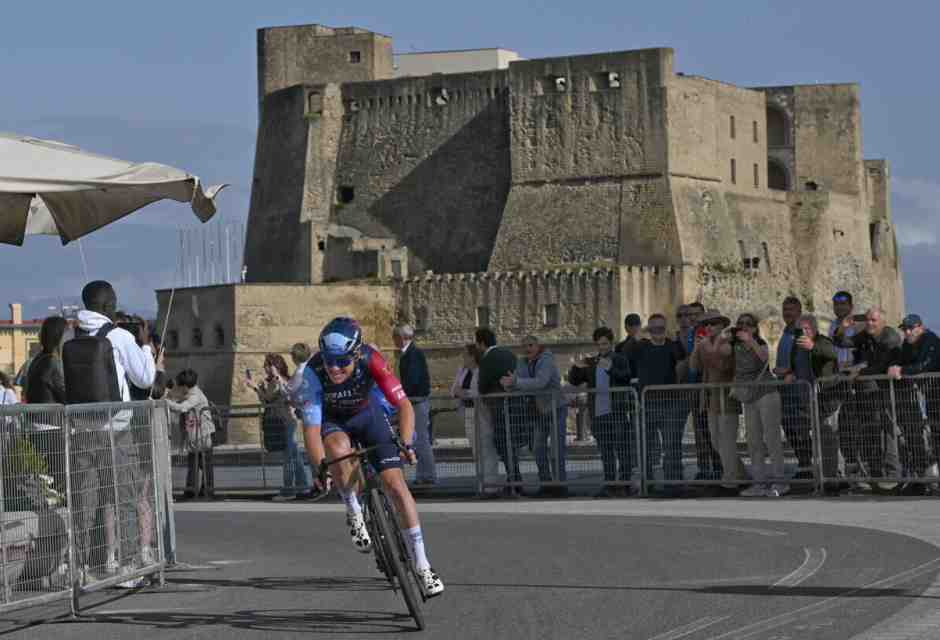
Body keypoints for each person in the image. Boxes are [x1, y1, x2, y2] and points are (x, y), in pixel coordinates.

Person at [298, 317, 444, 597]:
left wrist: (406, 441)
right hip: (334, 422)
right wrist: (320, 468)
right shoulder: (313, 372)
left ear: (355, 354)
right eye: (329, 360)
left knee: (397, 487)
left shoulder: (371, 359)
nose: (334, 368)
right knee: (338, 453)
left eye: (341, 361)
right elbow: (312, 429)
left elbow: (403, 405)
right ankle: (353, 508)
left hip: (368, 416)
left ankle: (423, 565)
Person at [69, 280, 158, 586]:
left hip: (81, 430)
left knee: (85, 499)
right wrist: (145, 345)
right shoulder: (118, 336)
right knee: (126, 498)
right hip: (116, 431)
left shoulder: (75, 335)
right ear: (109, 305)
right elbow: (145, 378)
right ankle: (127, 570)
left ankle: (79, 568)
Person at [839, 307, 902, 490]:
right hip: (869, 392)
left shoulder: (890, 337)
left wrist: (859, 372)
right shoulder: (865, 335)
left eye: (873, 320)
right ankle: (876, 474)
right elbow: (842, 342)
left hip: (889, 392)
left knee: (889, 431)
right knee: (872, 431)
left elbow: (882, 365)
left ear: (883, 321)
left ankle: (893, 474)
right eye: (867, 319)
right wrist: (843, 327)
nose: (869, 323)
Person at [568, 327, 634, 498]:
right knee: (606, 451)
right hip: (598, 413)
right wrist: (576, 367)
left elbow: (626, 376)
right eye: (599, 344)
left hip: (617, 411)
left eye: (605, 343)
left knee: (622, 449)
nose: (602, 347)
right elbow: (574, 381)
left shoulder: (619, 359)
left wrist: (610, 368)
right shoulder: (592, 362)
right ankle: (610, 484)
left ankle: (625, 484)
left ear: (611, 343)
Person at [501, 335, 569, 497]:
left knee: (556, 450)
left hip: (556, 408)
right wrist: (509, 386)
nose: (527, 348)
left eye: (531, 345)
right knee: (538, 448)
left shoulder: (546, 360)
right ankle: (546, 484)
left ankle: (561, 485)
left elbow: (540, 382)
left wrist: (515, 382)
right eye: (524, 346)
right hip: (539, 411)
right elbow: (518, 383)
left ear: (538, 346)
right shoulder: (522, 362)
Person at [728, 313, 787, 497]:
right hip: (749, 396)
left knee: (772, 439)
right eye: (740, 324)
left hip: (767, 394)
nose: (744, 327)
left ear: (755, 328)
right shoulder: (735, 345)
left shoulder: (759, 343)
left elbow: (764, 358)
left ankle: (780, 481)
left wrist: (751, 340)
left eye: (748, 324)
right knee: (753, 440)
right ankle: (759, 482)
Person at [785, 314, 841, 494]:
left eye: (806, 329)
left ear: (814, 329)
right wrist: (790, 373)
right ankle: (818, 478)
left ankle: (831, 479)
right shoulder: (796, 346)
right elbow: (795, 365)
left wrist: (813, 346)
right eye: (800, 330)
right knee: (813, 440)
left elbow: (832, 354)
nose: (803, 333)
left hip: (826, 398)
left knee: (827, 439)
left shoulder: (823, 341)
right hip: (806, 400)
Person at [632, 314, 687, 493]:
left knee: (671, 445)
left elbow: (683, 364)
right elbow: (624, 355)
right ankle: (647, 485)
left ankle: (674, 484)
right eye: (653, 328)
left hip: (671, 403)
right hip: (646, 403)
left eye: (661, 328)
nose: (657, 332)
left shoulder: (674, 346)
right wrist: (641, 334)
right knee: (645, 447)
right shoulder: (640, 347)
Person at [689, 310, 741, 495]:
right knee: (716, 442)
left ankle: (731, 482)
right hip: (711, 398)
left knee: (726, 441)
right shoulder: (704, 345)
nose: (709, 327)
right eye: (706, 325)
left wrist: (711, 348)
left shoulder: (727, 343)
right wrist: (697, 347)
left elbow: (724, 366)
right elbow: (694, 367)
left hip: (727, 397)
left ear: (721, 325)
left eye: (713, 324)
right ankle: (740, 475)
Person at [889, 314, 940, 494]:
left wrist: (902, 370)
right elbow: (903, 361)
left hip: (935, 393)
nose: (908, 332)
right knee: (922, 436)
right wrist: (896, 366)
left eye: (911, 328)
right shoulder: (907, 344)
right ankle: (923, 479)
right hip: (924, 396)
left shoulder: (930, 340)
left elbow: (925, 364)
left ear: (920, 327)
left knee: (936, 435)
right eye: (905, 329)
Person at [249, 354, 308, 501]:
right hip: (284, 421)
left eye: (267, 365)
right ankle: (302, 486)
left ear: (275, 366)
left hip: (286, 421)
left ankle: (289, 490)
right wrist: (259, 389)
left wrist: (257, 387)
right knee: (294, 456)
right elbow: (266, 402)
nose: (264, 368)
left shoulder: (281, 380)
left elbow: (270, 397)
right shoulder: (273, 381)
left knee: (289, 457)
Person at [475, 327, 524, 496]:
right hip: (515, 403)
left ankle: (515, 480)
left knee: (502, 442)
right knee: (510, 443)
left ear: (481, 343)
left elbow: (482, 385)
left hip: (498, 405)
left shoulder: (488, 358)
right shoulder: (509, 354)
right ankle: (515, 479)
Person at [773, 296, 814, 480]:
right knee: (790, 428)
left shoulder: (801, 332)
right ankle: (804, 464)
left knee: (802, 429)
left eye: (790, 309)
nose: (787, 313)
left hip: (800, 389)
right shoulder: (786, 332)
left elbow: (804, 360)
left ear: (799, 311)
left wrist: (790, 371)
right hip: (785, 390)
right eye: (785, 310)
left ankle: (809, 466)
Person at [394, 325, 436, 486]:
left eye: (395, 337)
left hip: (416, 402)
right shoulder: (409, 354)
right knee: (418, 440)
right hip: (413, 401)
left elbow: (412, 380)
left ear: (401, 337)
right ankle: (424, 475)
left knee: (421, 440)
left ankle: (428, 475)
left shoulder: (413, 354)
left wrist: (400, 395)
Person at [167, 369, 216, 500]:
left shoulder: (195, 396)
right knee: (194, 463)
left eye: (180, 385)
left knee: (204, 464)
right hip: (197, 434)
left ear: (185, 386)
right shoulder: (191, 393)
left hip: (204, 434)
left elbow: (183, 407)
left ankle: (206, 491)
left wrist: (166, 402)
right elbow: (179, 400)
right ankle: (192, 490)